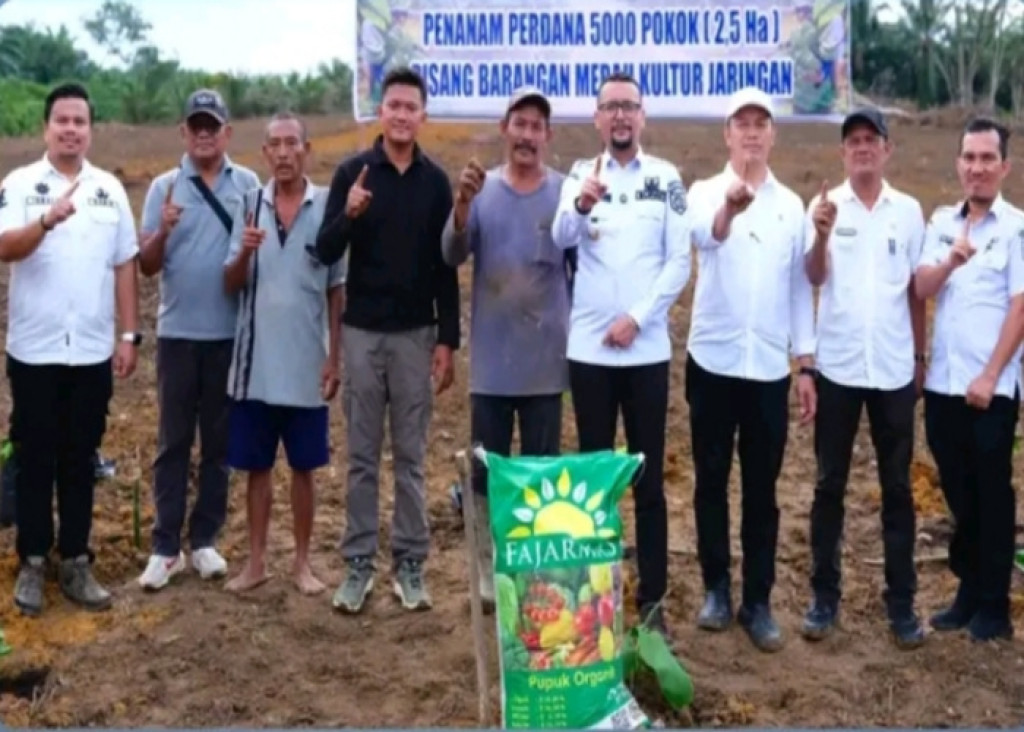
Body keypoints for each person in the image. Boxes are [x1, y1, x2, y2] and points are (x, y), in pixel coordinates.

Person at [551, 71, 695, 635]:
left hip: (645, 354)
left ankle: (652, 604)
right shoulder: (579, 176)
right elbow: (560, 237)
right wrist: (581, 205)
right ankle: (596, 600)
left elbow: (678, 262)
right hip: (589, 355)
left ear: (642, 115)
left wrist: (637, 318)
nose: (619, 115)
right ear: (597, 118)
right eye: (610, 106)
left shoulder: (665, 178)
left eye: (628, 106)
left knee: (648, 483)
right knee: (594, 482)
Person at [314, 66, 459, 614]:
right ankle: (358, 563)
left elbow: (446, 267)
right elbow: (326, 251)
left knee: (412, 456)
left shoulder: (435, 182)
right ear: (381, 112)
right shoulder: (353, 174)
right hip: (361, 334)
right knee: (361, 457)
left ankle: (410, 562)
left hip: (415, 336)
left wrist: (447, 340)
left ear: (423, 116)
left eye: (410, 107)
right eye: (393, 105)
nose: (401, 115)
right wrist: (349, 215)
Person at [0, 82, 140, 616]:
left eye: (80, 122)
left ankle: (77, 559)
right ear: (46, 128)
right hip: (34, 351)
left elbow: (124, 264)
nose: (71, 130)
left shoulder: (109, 190)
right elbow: (5, 246)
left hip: (90, 352)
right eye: (62, 120)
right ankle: (34, 560)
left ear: (90, 130)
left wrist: (128, 335)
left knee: (80, 459)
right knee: (35, 458)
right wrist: (45, 221)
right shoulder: (19, 185)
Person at [684, 86, 816, 652]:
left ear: (773, 134)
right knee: (711, 481)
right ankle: (715, 588)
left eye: (762, 123)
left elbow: (799, 288)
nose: (753, 132)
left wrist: (805, 362)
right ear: (728, 133)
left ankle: (757, 601)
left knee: (762, 490)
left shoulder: (792, 207)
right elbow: (705, 237)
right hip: (712, 361)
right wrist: (730, 211)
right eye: (743, 123)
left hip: (766, 368)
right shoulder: (703, 192)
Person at [441, 87, 570, 608]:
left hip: (545, 365)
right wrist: (460, 206)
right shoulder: (482, 191)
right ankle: (486, 569)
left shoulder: (564, 194)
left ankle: (534, 571)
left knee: (540, 475)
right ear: (504, 129)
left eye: (537, 126)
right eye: (520, 124)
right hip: (492, 366)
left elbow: (581, 266)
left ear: (548, 136)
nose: (527, 135)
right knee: (485, 474)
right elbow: (451, 253)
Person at [802, 108, 926, 648]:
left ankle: (902, 604)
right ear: (843, 152)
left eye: (871, 139)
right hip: (839, 367)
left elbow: (916, 292)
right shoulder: (824, 207)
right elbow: (813, 276)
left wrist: (919, 358)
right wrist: (821, 236)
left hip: (893, 369)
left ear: (887, 148)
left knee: (897, 488)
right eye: (853, 141)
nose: (862, 148)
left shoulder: (909, 212)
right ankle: (823, 598)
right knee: (829, 485)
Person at [136, 89, 261, 591]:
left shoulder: (247, 184)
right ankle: (165, 547)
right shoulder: (163, 188)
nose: (204, 134)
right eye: (196, 126)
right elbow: (147, 265)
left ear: (227, 132)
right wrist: (163, 230)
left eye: (213, 126)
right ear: (184, 133)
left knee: (219, 444)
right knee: (173, 442)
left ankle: (205, 539)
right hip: (178, 335)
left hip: (229, 335)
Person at [221, 112, 344, 596]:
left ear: (306, 150)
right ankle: (255, 562)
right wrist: (245, 251)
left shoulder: (328, 206)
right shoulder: (249, 205)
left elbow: (337, 288)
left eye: (293, 143)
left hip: (306, 362)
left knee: (304, 468)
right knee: (256, 468)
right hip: (255, 366)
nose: (285, 153)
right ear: (265, 153)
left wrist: (334, 357)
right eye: (275, 144)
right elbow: (229, 282)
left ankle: (302, 563)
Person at [914, 117, 1024, 642]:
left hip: (990, 389)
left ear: (1005, 166)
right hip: (943, 385)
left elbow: (1020, 307)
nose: (977, 167)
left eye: (987, 158)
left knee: (991, 494)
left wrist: (992, 373)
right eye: (969, 158)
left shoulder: (1016, 228)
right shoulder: (940, 222)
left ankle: (994, 606)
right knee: (958, 490)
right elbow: (921, 287)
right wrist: (950, 262)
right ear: (959, 164)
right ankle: (970, 588)